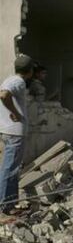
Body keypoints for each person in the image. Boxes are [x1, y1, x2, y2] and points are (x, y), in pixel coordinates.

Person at [0, 54, 33, 219]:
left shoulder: (10, 79)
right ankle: (6, 206)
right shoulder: (19, 81)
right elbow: (4, 95)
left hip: (7, 131)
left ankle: (9, 203)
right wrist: (14, 113)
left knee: (10, 168)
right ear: (30, 71)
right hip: (14, 133)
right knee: (10, 169)